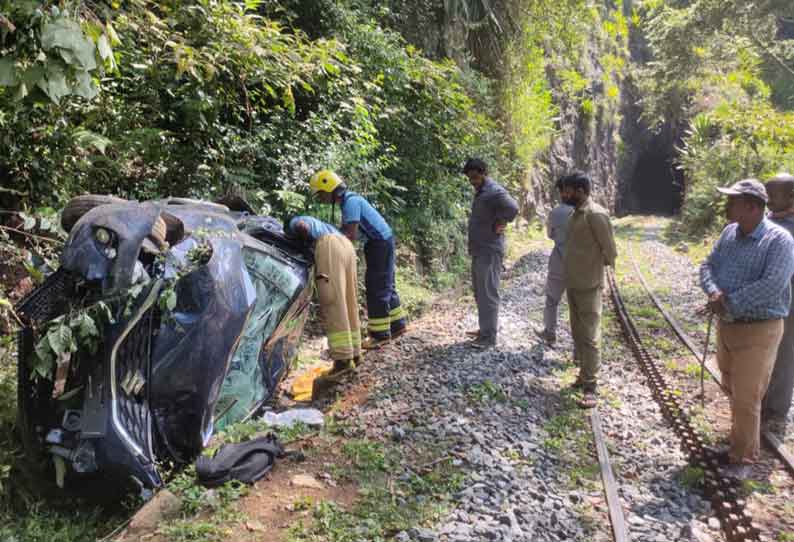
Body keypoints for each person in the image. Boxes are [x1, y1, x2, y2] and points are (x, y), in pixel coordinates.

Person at [699, 178, 794, 478]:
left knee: (747, 395)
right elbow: (707, 265)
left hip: (760, 328)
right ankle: (737, 443)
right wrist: (713, 291)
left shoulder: (779, 241)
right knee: (730, 385)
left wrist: (729, 302)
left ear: (752, 207)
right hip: (728, 326)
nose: (727, 205)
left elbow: (772, 286)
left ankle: (743, 459)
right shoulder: (730, 232)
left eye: (733, 200)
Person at [309, 170, 406, 349]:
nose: (320, 198)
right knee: (386, 284)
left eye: (321, 194)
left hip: (379, 244)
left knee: (376, 287)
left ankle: (380, 335)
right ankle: (398, 325)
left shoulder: (350, 203)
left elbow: (350, 235)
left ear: (330, 189)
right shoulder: (350, 200)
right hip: (382, 242)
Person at [560, 172, 617, 409]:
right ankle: (583, 375)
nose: (564, 194)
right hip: (573, 283)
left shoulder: (596, 215)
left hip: (589, 285)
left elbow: (610, 251)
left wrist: (596, 271)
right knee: (578, 333)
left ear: (581, 191)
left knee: (591, 336)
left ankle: (591, 387)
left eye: (568, 190)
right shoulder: (576, 214)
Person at [287, 215, 361, 383]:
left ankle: (342, 361)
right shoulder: (321, 224)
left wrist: (303, 245)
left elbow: (301, 226)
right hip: (347, 246)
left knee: (333, 301)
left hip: (330, 247)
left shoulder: (293, 222)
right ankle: (355, 354)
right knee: (349, 300)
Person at [462, 158, 519, 349]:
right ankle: (484, 330)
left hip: (489, 250)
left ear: (484, 172)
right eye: (470, 178)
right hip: (480, 249)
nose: (473, 181)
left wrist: (501, 221)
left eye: (475, 177)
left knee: (488, 293)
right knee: (480, 293)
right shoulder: (482, 191)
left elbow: (512, 208)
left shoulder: (494, 191)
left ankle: (489, 338)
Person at [761, 173, 794, 434]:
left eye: (773, 196)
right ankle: (760, 401)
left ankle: (777, 411)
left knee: (784, 355)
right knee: (764, 351)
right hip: (766, 300)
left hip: (789, 302)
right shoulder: (769, 221)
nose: (767, 200)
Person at [535, 177, 574, 346]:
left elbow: (550, 235)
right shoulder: (589, 212)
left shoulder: (557, 212)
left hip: (559, 260)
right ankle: (579, 349)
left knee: (552, 300)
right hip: (582, 266)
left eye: (564, 190)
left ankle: (550, 333)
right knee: (578, 307)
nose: (563, 194)